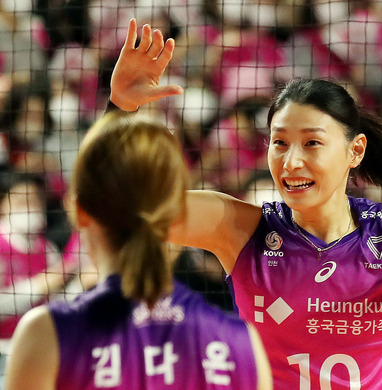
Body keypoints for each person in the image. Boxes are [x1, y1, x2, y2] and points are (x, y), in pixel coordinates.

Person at [109, 19, 382, 390]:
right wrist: (119, 109)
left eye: (312, 143)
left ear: (355, 151)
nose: (291, 160)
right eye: (279, 143)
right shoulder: (239, 228)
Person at [5, 115, 272, 386]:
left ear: (80, 211)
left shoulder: (48, 334)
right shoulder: (243, 342)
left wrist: (117, 109)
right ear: (178, 215)